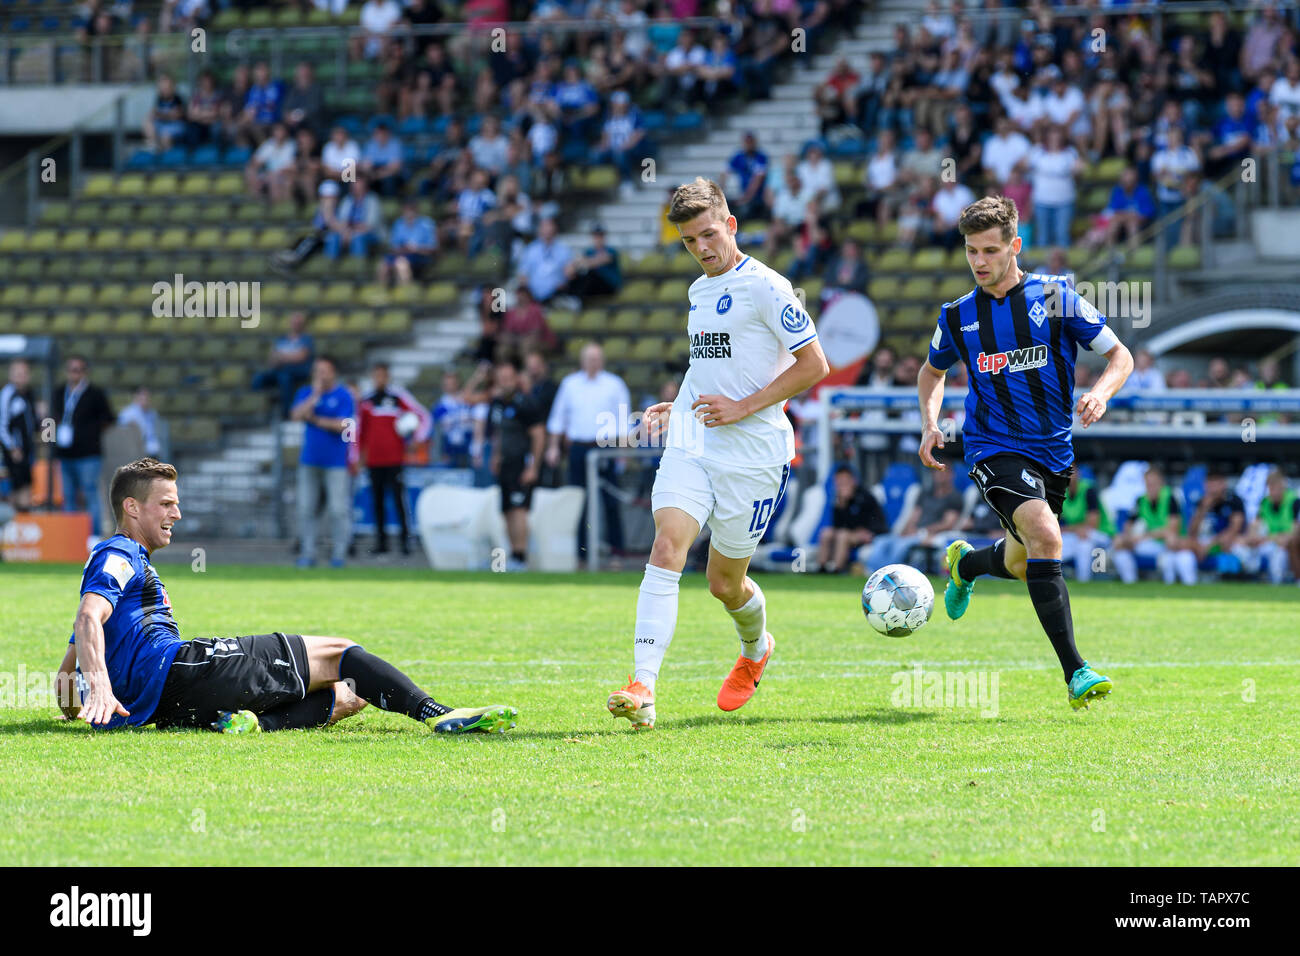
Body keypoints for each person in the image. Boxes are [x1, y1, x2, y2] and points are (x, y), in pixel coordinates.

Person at [56, 457, 516, 734]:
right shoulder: (118, 553)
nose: (178, 511)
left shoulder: (119, 571)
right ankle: (441, 714)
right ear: (131, 508)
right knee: (340, 652)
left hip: (167, 707)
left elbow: (64, 681)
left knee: (351, 693)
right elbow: (87, 618)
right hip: (183, 670)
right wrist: (99, 686)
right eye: (167, 503)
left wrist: (86, 704)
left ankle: (258, 724)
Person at [605, 177, 829, 730]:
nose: (701, 248)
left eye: (708, 234)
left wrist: (743, 406)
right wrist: (677, 403)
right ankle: (644, 687)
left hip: (754, 457)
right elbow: (707, 364)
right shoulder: (698, 292)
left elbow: (814, 365)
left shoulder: (768, 288)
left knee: (724, 582)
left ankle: (756, 650)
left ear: (730, 225)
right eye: (688, 241)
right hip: (694, 441)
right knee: (666, 547)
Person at [917, 195, 1134, 710]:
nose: (979, 262)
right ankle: (1076, 672)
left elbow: (1120, 354)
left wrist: (1100, 393)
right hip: (992, 446)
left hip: (1054, 453)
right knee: (1045, 534)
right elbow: (932, 371)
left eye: (991, 250)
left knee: (1021, 560)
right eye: (971, 251)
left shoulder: (1056, 297)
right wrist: (930, 424)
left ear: (1015, 246)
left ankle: (966, 566)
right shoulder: (957, 315)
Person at [544, 342, 631, 562]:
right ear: (582, 361)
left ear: (602, 360)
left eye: (597, 358)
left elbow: (623, 419)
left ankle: (616, 551)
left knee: (610, 501)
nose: (593, 362)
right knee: (578, 500)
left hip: (605, 448)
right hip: (578, 448)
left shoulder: (614, 384)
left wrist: (623, 452)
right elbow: (558, 418)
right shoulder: (570, 384)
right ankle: (581, 554)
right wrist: (553, 447)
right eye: (589, 358)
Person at [477, 358, 545, 571]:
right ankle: (513, 555)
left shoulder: (526, 403)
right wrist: (496, 455)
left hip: (521, 463)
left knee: (519, 509)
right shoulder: (497, 403)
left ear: (516, 379)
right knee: (506, 509)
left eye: (508, 378)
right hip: (505, 464)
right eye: (501, 378)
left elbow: (538, 436)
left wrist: (532, 466)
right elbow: (499, 433)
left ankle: (521, 557)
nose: (505, 382)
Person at [358, 362, 429, 555]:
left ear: (388, 377)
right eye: (376, 375)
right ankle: (381, 543)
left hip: (394, 459)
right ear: (373, 377)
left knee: (399, 501)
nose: (380, 379)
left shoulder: (398, 398)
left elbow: (422, 416)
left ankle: (405, 541)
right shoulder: (366, 401)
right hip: (373, 460)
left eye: (383, 375)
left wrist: (417, 439)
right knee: (377, 502)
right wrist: (358, 454)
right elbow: (359, 430)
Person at [290, 356, 354, 568]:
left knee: (338, 509)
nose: (321, 375)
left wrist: (317, 420)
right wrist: (315, 396)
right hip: (310, 460)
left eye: (325, 371)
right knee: (306, 508)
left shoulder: (344, 395)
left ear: (333, 372)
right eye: (318, 370)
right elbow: (296, 415)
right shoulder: (307, 393)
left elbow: (344, 425)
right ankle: (308, 554)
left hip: (336, 462)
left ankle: (339, 554)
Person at [51, 355, 115, 538]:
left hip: (88, 454)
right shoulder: (59, 392)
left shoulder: (95, 393)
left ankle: (93, 535)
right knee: (68, 496)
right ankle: (70, 536)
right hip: (64, 453)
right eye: (71, 369)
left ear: (85, 372)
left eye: (78, 370)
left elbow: (109, 418)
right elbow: (52, 416)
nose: (74, 374)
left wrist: (91, 433)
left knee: (90, 494)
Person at [866, 466, 965, 572]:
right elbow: (914, 515)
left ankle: (887, 572)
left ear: (951, 475)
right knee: (881, 541)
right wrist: (906, 530)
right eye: (936, 472)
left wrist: (924, 530)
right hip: (914, 533)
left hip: (928, 534)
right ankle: (874, 572)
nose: (939, 475)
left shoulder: (955, 497)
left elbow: (948, 523)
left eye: (943, 472)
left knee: (901, 546)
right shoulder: (925, 493)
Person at [1110, 466, 1184, 584]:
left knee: (1170, 552)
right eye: (1148, 484)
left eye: (1154, 483)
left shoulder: (1170, 497)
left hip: (1167, 545)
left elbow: (1171, 530)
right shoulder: (1141, 500)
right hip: (1150, 543)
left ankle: (1170, 589)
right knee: (1120, 549)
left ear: (1161, 483)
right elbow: (1128, 525)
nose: (1151, 487)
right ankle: (1130, 586)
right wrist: (1127, 538)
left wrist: (1142, 537)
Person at [816, 466, 888, 574]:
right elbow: (838, 525)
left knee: (842, 535)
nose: (842, 485)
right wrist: (842, 505)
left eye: (845, 482)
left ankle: (836, 569)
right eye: (839, 482)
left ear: (853, 481)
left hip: (868, 534)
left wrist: (871, 533)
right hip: (849, 533)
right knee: (826, 533)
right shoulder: (838, 500)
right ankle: (821, 568)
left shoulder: (865, 497)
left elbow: (877, 522)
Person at [251, 311, 315, 418]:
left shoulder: (306, 339)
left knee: (284, 379)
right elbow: (272, 358)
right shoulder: (281, 339)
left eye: (299, 323)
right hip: (279, 369)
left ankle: (286, 413)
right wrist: (282, 358)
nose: (296, 325)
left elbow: (301, 356)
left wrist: (282, 357)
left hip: (298, 371)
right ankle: (257, 408)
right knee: (258, 378)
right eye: (294, 322)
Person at [1057, 470, 1114, 582]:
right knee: (1057, 545)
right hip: (1077, 535)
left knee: (1084, 545)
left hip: (1101, 534)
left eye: (1071, 473)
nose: (1068, 477)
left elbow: (1092, 524)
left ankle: (1084, 580)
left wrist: (1069, 529)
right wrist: (1073, 529)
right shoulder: (1062, 493)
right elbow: (1058, 525)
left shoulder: (1088, 489)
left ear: (1078, 474)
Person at [1244, 468, 1299, 584]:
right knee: (1245, 549)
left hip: (1285, 546)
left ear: (1283, 486)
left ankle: (1279, 585)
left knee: (1279, 556)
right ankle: (1247, 580)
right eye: (1270, 488)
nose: (1273, 492)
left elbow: (1294, 533)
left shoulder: (1294, 501)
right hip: (1269, 543)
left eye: (1276, 488)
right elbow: (1254, 527)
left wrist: (1271, 539)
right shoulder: (1265, 502)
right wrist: (1254, 537)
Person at [1, 358, 37, 512]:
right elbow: (1, 425)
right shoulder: (7, 395)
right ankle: (16, 524)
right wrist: (11, 447)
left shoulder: (29, 394)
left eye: (24, 374)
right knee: (18, 488)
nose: (21, 377)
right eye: (17, 374)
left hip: (27, 449)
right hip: (15, 451)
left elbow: (34, 422)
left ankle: (22, 520)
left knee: (27, 486)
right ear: (11, 375)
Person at [117, 386, 163, 457]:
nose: (146, 398)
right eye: (143, 395)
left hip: (152, 451)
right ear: (136, 396)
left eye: (147, 396)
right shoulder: (127, 413)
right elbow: (121, 434)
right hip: (134, 453)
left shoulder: (152, 413)